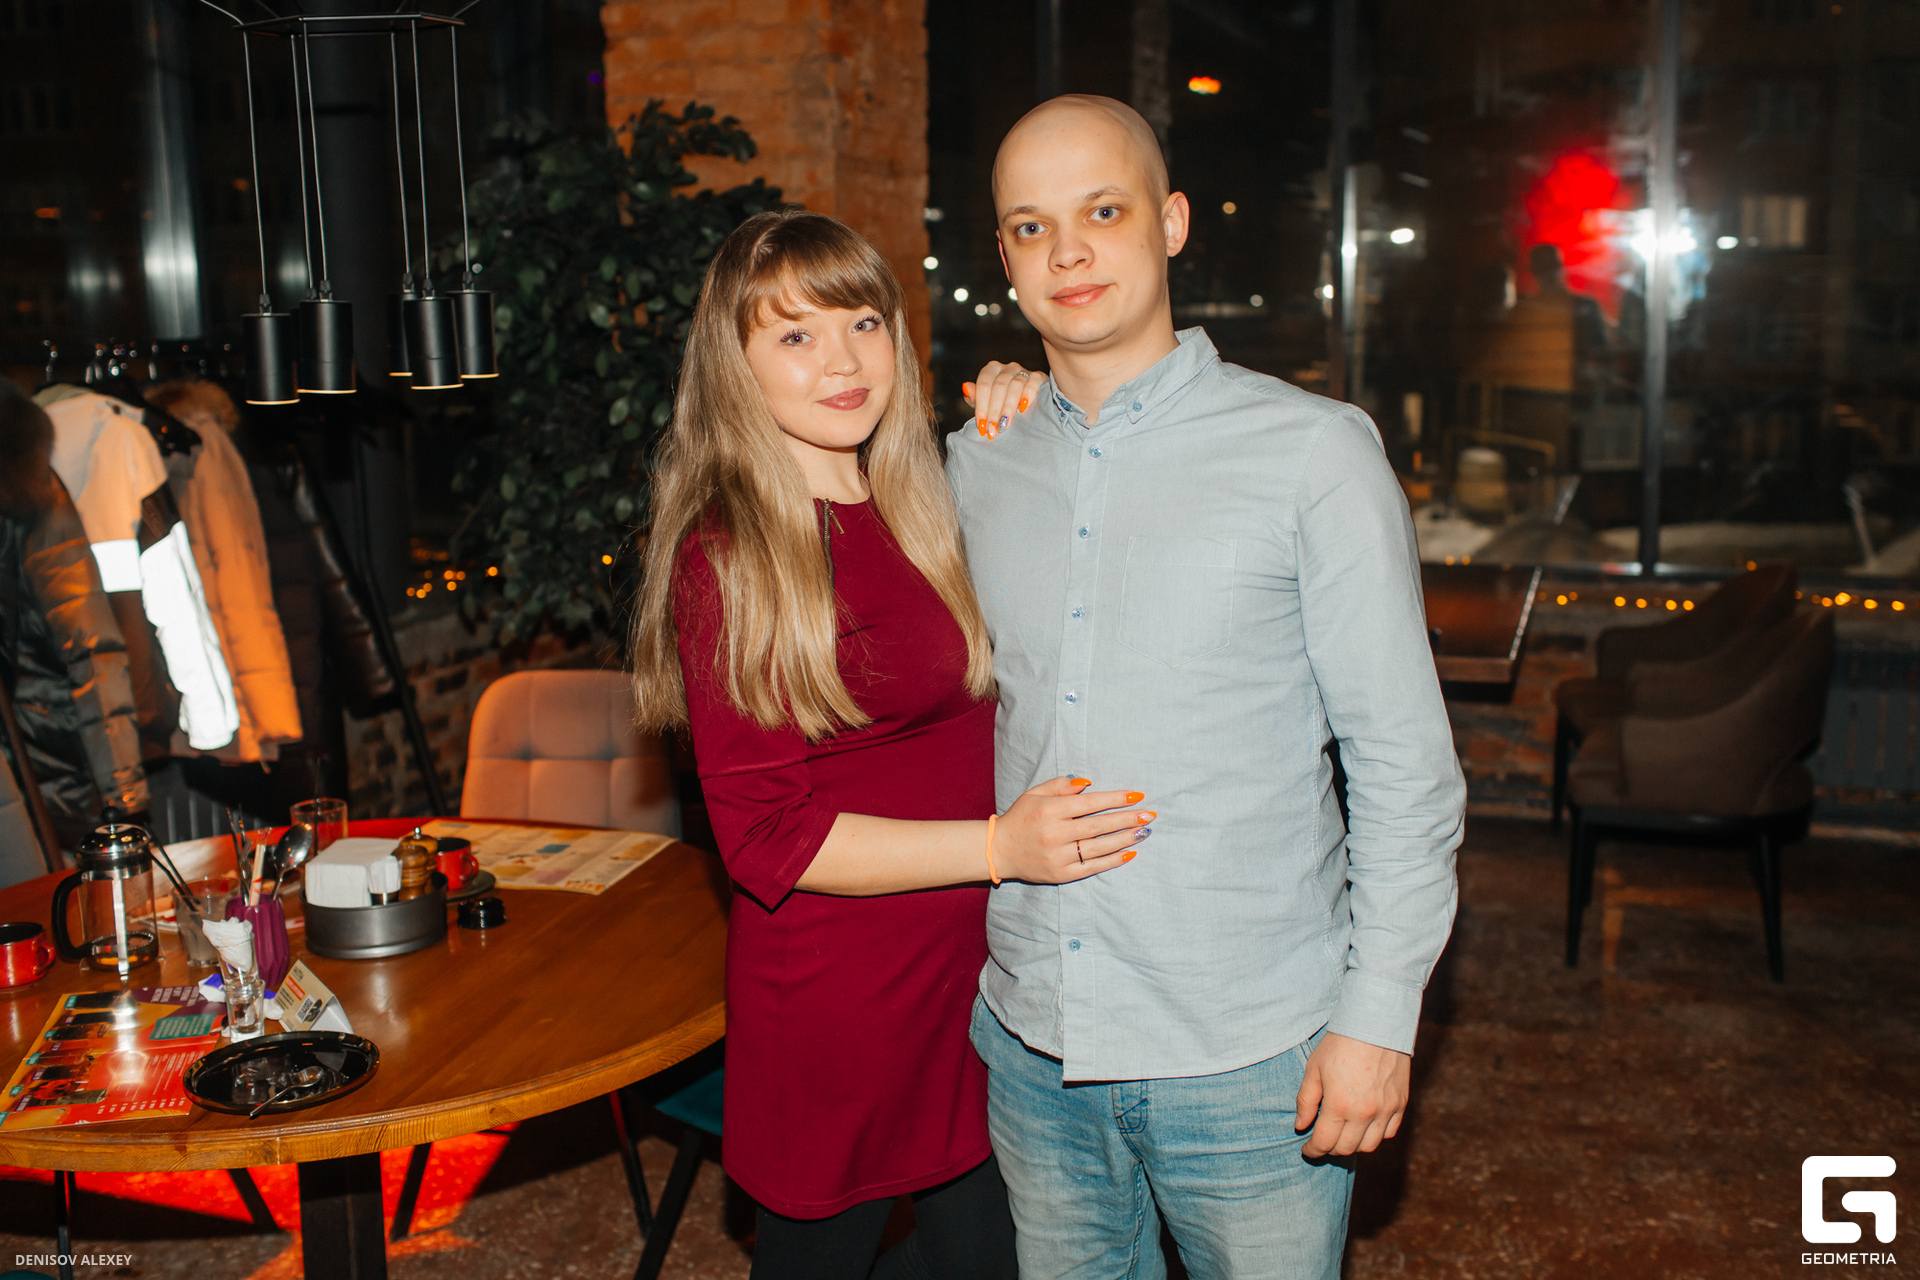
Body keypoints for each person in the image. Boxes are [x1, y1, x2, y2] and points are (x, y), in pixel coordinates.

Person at [948, 96, 1465, 1280]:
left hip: (1252, 1057)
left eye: (1103, 211)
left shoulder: (1314, 452)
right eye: (1031, 227)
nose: (1067, 251)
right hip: (1033, 1041)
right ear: (1005, 260)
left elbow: (1404, 766)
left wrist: (1379, 1015)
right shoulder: (973, 462)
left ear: (1171, 222)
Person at [629, 208, 1154, 1280]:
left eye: (863, 323)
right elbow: (765, 837)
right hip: (843, 1000)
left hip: (968, 975)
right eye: (795, 335)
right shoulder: (731, 554)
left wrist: (1029, 402)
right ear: (734, 364)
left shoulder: (920, 502)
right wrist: (1001, 847)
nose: (842, 361)